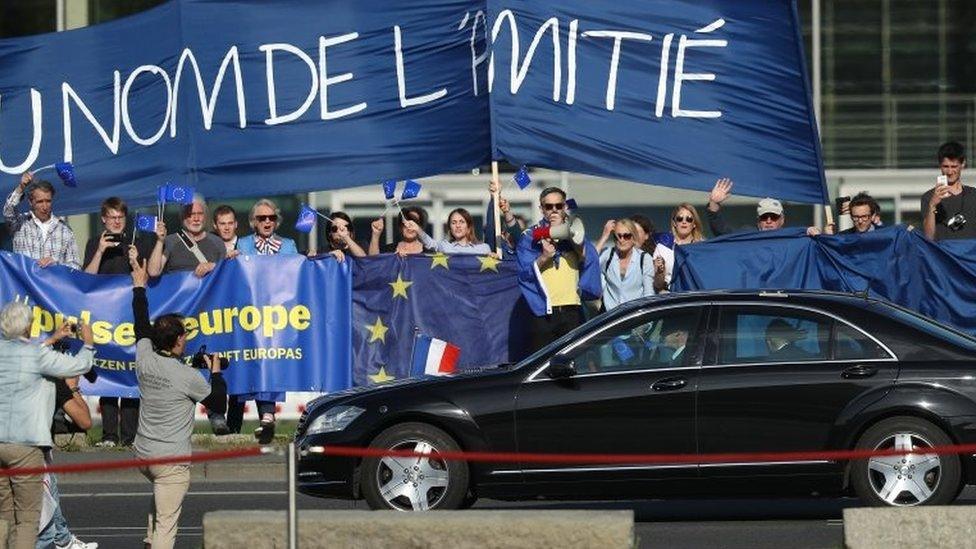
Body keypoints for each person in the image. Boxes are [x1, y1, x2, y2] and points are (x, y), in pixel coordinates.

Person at [128, 257, 225, 549]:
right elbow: (218, 402)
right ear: (180, 340)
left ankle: (148, 541)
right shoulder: (188, 376)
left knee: (159, 506)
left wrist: (139, 287)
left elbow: (140, 322)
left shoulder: (144, 355)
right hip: (170, 460)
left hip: (144, 454)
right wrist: (216, 371)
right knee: (167, 525)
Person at [0, 300, 94, 549]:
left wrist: (52, 339)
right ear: (29, 328)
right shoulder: (36, 355)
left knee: (4, 517)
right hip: (26, 444)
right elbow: (81, 365)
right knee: (28, 519)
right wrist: (89, 342)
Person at [82, 197, 150, 448]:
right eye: (112, 217)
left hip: (130, 316)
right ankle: (109, 435)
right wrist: (100, 250)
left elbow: (145, 277)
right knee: (107, 372)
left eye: (120, 217)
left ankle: (130, 436)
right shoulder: (93, 243)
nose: (117, 222)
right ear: (103, 219)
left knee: (131, 374)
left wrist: (134, 260)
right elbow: (86, 278)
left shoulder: (137, 242)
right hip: (104, 317)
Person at [235, 198, 298, 443]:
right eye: (262, 218)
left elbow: (297, 274)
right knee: (251, 364)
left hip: (278, 316)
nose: (267, 222)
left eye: (271, 218)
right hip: (250, 316)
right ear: (253, 222)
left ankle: (268, 416)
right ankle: (241, 422)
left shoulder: (289, 245)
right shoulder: (244, 244)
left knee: (272, 363)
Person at [516, 187, 601, 352]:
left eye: (558, 206)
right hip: (543, 313)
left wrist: (573, 240)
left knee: (574, 364)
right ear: (541, 209)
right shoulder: (530, 237)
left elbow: (590, 260)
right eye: (549, 206)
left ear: (565, 207)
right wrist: (544, 257)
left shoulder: (575, 232)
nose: (554, 210)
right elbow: (524, 274)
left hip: (572, 311)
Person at [37, 376, 98, 549]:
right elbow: (84, 421)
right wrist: (72, 388)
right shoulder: (50, 377)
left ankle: (63, 539)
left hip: (14, 448)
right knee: (42, 530)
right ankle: (61, 538)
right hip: (31, 452)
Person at [3, 172, 81, 269]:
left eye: (48, 201)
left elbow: (76, 266)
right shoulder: (20, 224)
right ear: (31, 202)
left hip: (51, 283)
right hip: (24, 283)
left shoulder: (64, 229)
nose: (44, 207)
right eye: (40, 202)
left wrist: (56, 264)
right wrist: (21, 187)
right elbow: (8, 210)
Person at [705, 178, 822, 237]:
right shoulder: (749, 235)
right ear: (758, 221)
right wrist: (713, 204)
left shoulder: (792, 238)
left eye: (774, 217)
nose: (769, 221)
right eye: (764, 217)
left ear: (782, 220)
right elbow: (723, 233)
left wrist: (815, 234)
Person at [147, 194, 226, 278]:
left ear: (205, 216)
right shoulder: (171, 241)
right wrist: (160, 241)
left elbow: (227, 273)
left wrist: (213, 266)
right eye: (191, 214)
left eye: (200, 214)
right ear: (183, 217)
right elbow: (153, 272)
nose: (196, 219)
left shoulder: (217, 242)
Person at [922, 141, 976, 241]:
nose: (950, 172)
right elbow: (928, 237)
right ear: (940, 165)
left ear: (963, 164)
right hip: (943, 255)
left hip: (969, 255)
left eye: (954, 166)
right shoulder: (928, 197)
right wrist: (932, 205)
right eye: (945, 166)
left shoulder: (973, 195)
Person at [599, 218, 654, 311]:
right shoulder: (608, 255)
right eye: (618, 236)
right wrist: (604, 237)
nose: (621, 240)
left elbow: (648, 293)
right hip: (610, 316)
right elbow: (590, 265)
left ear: (633, 238)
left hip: (634, 317)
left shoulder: (644, 259)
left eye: (626, 236)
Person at [410, 208, 491, 255]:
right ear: (450, 227)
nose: (458, 226)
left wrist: (494, 260)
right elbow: (429, 243)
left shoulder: (483, 248)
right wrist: (417, 229)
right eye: (453, 222)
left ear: (469, 226)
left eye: (461, 222)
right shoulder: (445, 247)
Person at [368, 206, 432, 257]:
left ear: (421, 227)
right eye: (405, 222)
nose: (409, 227)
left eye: (414, 222)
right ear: (400, 226)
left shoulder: (430, 255)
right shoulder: (389, 251)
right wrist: (376, 234)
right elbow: (373, 264)